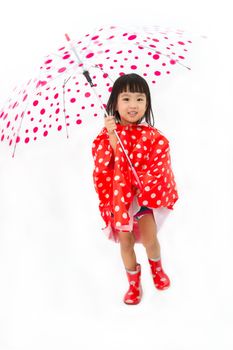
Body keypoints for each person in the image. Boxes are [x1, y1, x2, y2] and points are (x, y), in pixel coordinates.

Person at [92, 73, 178, 305]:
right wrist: (111, 137)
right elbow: (102, 165)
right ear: (115, 104)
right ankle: (133, 282)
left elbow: (161, 165)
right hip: (120, 199)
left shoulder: (153, 137)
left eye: (140, 99)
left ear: (147, 103)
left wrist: (145, 181)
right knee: (126, 242)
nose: (133, 105)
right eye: (126, 99)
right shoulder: (107, 136)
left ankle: (156, 267)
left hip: (144, 198)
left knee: (150, 238)